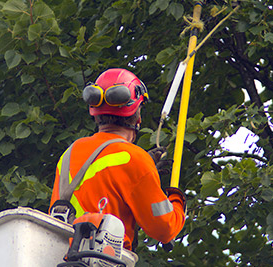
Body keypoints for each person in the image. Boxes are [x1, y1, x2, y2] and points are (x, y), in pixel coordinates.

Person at [49, 68, 186, 251]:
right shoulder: (135, 160)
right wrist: (177, 201)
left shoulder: (70, 153)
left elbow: (101, 180)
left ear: (95, 112)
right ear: (137, 116)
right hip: (104, 260)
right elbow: (164, 229)